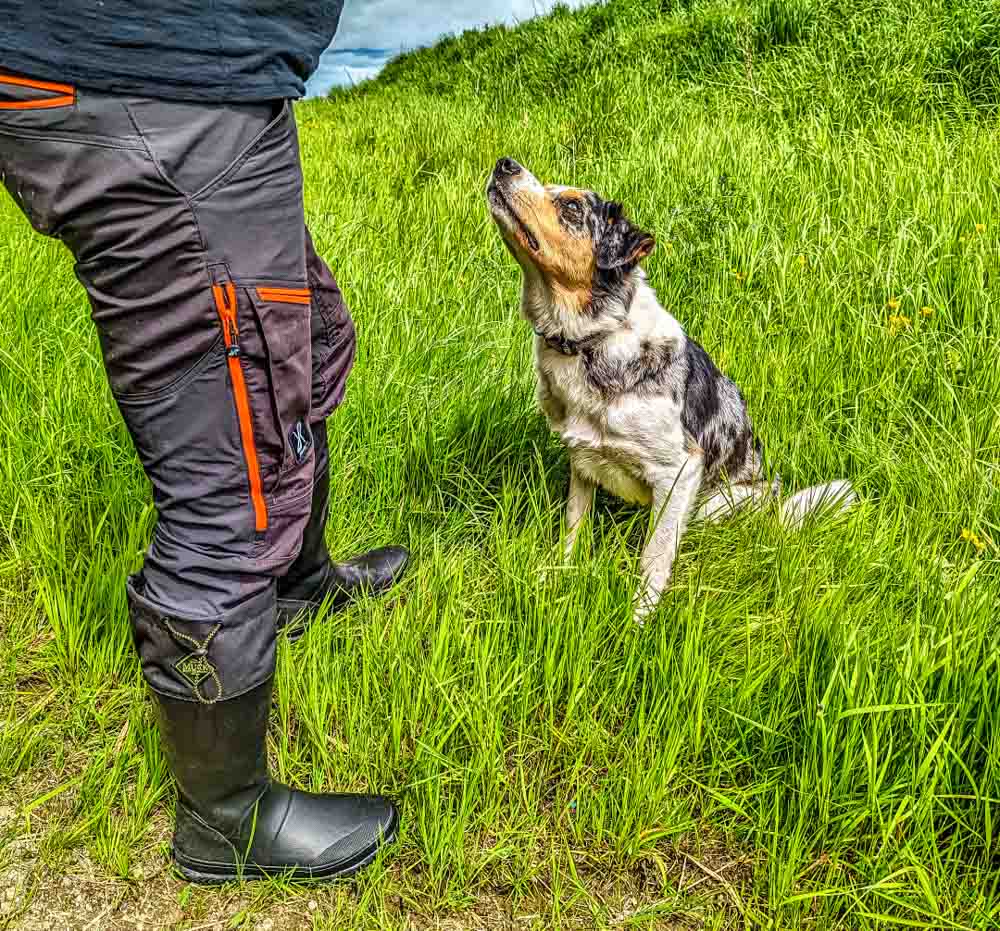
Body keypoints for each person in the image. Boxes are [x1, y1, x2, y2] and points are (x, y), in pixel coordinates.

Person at [0, 2, 408, 884]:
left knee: (303, 340)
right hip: (148, 84)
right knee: (232, 471)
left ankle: (300, 586)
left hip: (203, 81)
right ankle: (227, 816)